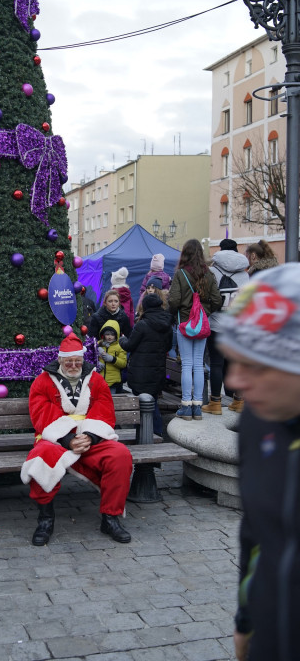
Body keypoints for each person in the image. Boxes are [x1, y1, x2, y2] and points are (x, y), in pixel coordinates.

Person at [217, 263, 300, 661]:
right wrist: (246, 620)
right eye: (233, 360)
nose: (234, 381)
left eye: (255, 364)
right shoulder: (257, 419)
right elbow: (255, 532)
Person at [21, 332, 133, 546]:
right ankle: (45, 520)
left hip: (90, 437)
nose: (73, 365)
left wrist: (90, 436)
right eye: (69, 361)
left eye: (77, 361)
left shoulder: (96, 380)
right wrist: (68, 438)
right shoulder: (42, 382)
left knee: (120, 455)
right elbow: (41, 414)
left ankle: (110, 517)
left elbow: (104, 410)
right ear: (60, 360)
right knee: (40, 458)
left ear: (82, 359)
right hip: (56, 439)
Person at [168, 239, 222, 420]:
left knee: (187, 364)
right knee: (198, 364)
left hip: (184, 323)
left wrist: (177, 313)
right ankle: (197, 407)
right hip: (202, 325)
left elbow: (174, 300)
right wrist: (204, 313)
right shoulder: (209, 274)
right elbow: (217, 300)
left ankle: (186, 406)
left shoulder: (180, 274)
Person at [203, 238, 249, 415]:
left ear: (220, 251)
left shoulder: (212, 272)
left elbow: (207, 297)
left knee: (216, 363)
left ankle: (215, 403)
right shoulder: (244, 274)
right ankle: (239, 401)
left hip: (216, 325)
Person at [125, 293, 173, 437]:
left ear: (145, 307)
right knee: (153, 403)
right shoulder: (167, 324)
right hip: (157, 371)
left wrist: (121, 340)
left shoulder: (142, 324)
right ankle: (157, 433)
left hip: (140, 373)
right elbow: (168, 346)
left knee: (141, 405)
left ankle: (142, 436)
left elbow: (129, 345)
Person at [97, 320, 127, 394]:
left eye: (112, 335)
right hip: (98, 381)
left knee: (111, 399)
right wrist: (96, 364)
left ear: (116, 335)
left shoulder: (119, 347)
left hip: (113, 382)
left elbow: (123, 363)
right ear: (103, 335)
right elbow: (90, 358)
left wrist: (113, 359)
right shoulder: (97, 345)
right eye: (107, 334)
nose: (109, 337)